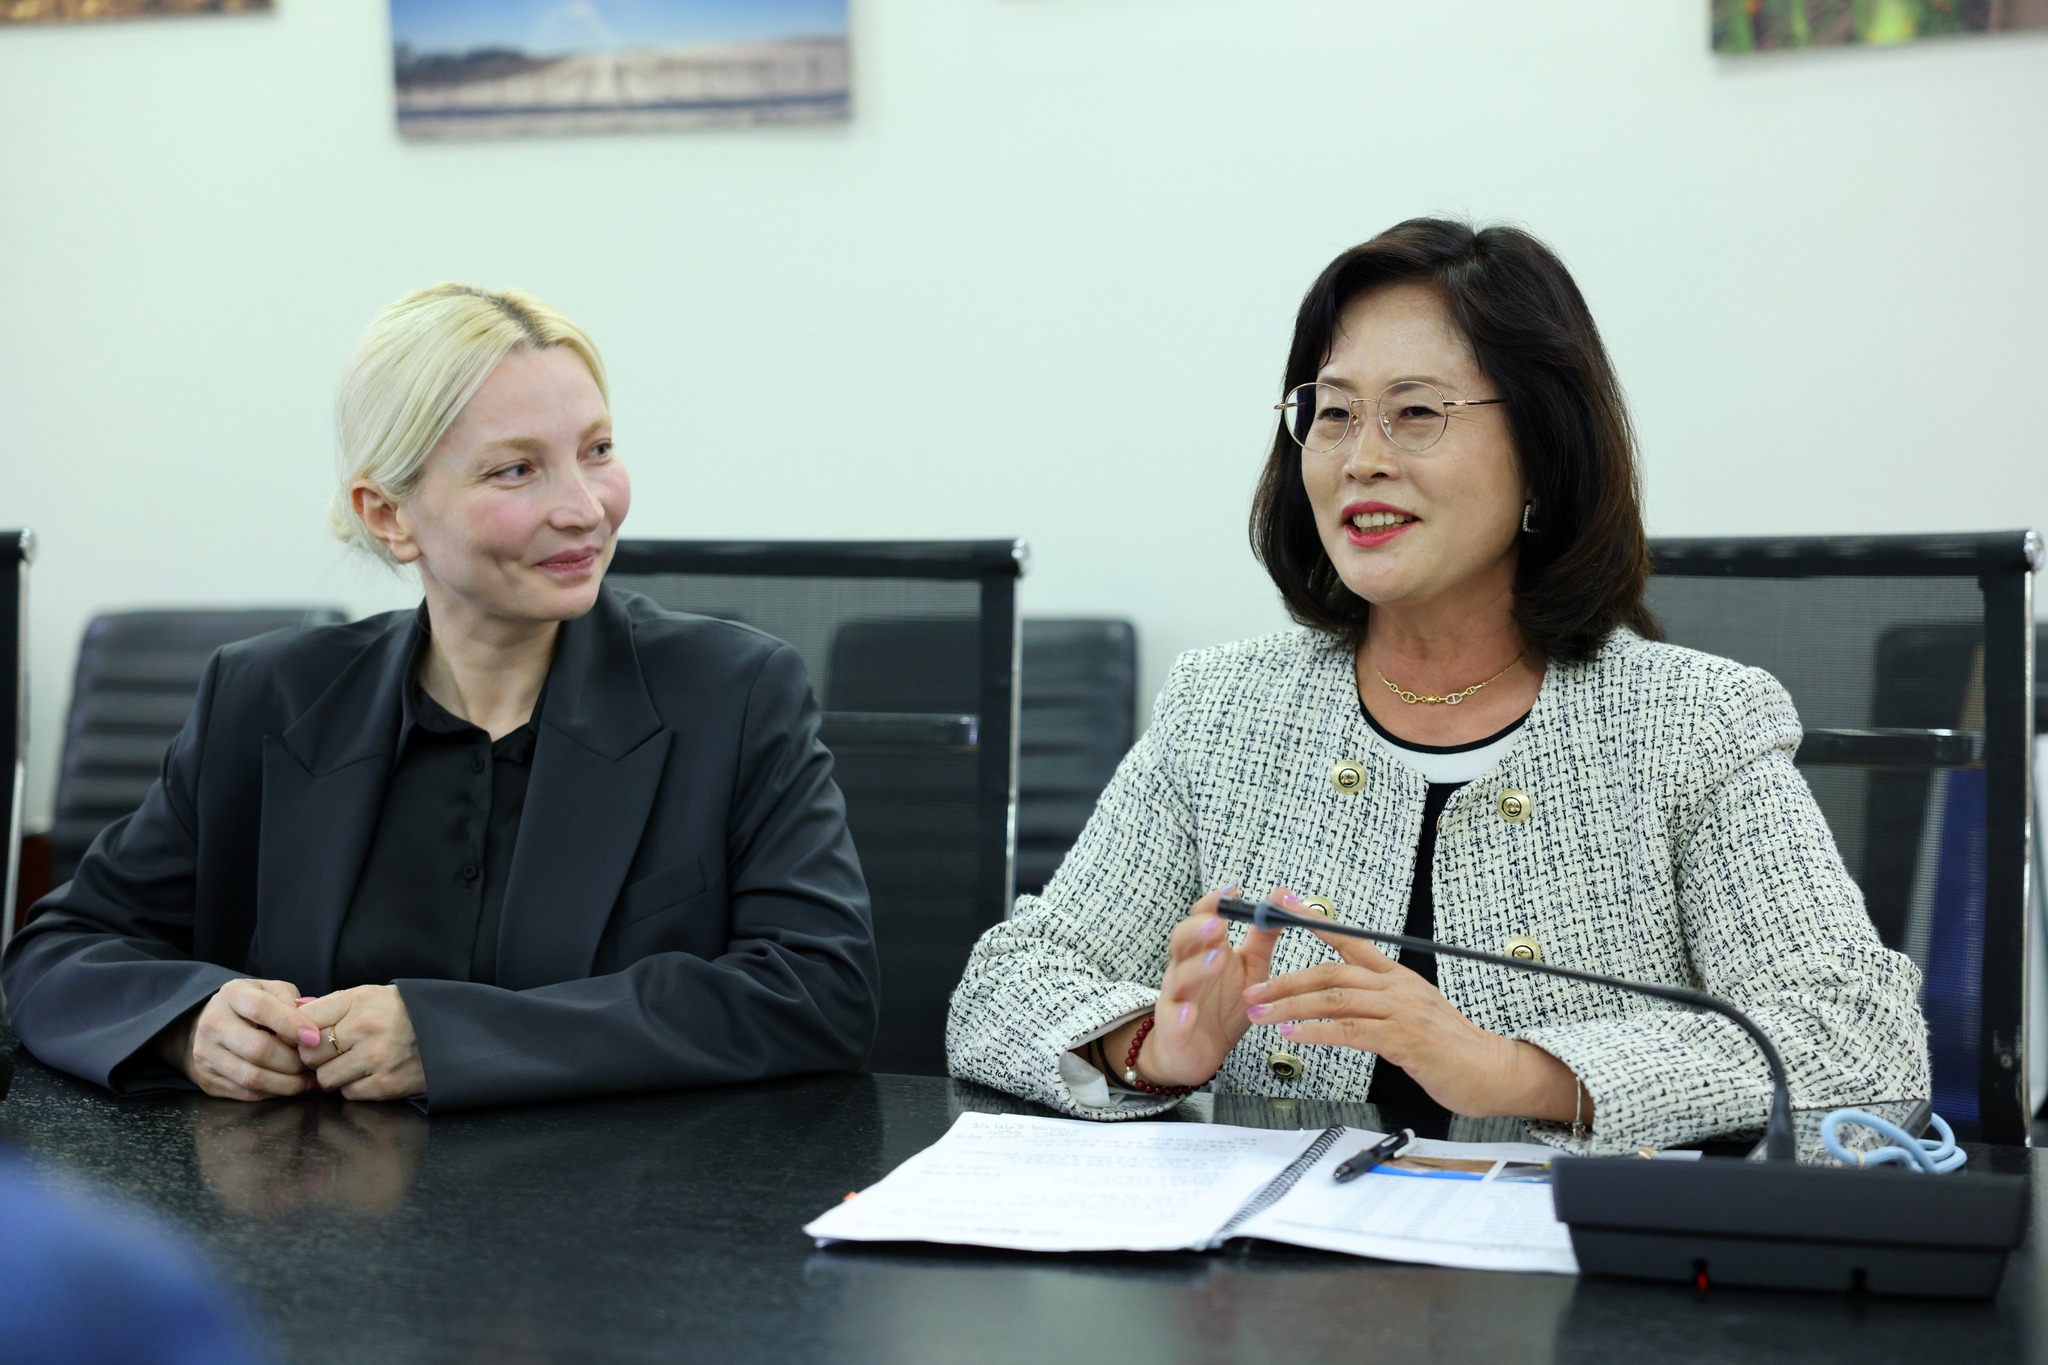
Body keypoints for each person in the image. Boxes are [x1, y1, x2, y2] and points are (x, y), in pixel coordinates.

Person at [947, 220, 1929, 1151]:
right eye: (1333, 414)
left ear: (1542, 451)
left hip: (1563, 1266)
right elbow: (1002, 988)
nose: (1362, 459)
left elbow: (1860, 1040)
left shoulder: (1692, 723)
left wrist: (1521, 1073)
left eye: (1415, 413)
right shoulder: (1223, 710)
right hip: (1273, 1267)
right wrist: (1150, 1050)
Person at [3, 284, 878, 1110]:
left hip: (619, 1204)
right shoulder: (265, 697)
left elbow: (819, 989)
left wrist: (453, 1039)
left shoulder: (734, 693)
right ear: (388, 514)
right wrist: (187, 1024)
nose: (584, 508)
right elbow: (60, 949)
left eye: (597, 450)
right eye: (517, 469)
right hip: (308, 1204)